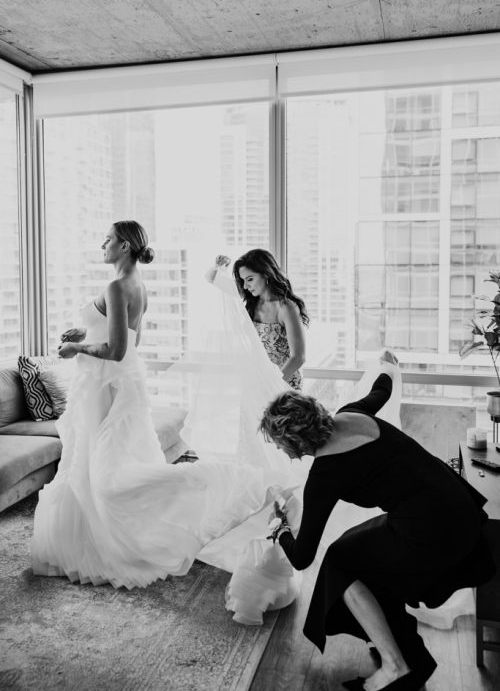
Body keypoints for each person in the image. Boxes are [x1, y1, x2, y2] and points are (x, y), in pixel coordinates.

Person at [31, 221, 298, 598]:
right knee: (103, 468)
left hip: (105, 386)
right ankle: (96, 535)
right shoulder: (138, 286)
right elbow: (131, 338)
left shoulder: (116, 285)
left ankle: (230, 483)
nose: (102, 244)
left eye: (107, 239)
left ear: (124, 246)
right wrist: (86, 336)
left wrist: (76, 349)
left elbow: (118, 350)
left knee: (104, 475)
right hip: (119, 385)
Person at [259, 358, 495, 691]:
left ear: (294, 442)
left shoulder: (325, 475)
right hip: (459, 505)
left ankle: (395, 665)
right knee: (351, 550)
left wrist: (281, 531)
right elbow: (382, 386)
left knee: (339, 562)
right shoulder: (353, 412)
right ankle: (396, 644)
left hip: (432, 530)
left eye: (280, 444)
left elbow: (302, 557)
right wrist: (387, 363)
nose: (282, 452)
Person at [207, 249, 307, 389]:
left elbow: (298, 357)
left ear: (266, 274)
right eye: (243, 281)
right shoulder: (252, 299)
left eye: (250, 279)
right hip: (257, 381)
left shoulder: (286, 307)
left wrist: (272, 384)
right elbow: (211, 278)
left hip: (283, 383)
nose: (245, 286)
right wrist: (220, 266)